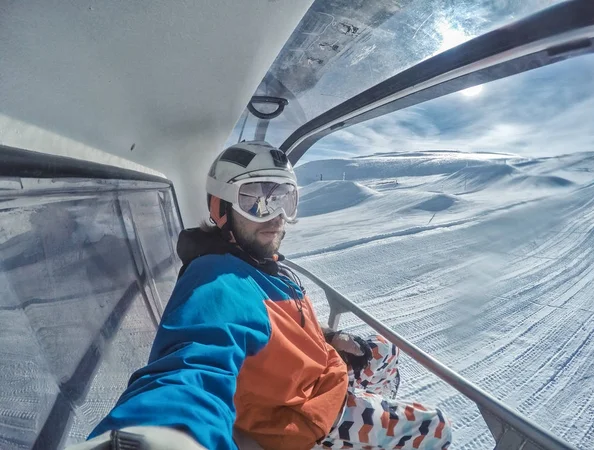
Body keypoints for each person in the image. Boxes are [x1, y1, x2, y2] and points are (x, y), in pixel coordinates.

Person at [72, 141, 452, 450]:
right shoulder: (219, 277)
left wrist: (330, 338)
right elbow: (194, 365)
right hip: (306, 415)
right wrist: (164, 437)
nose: (275, 216)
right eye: (255, 199)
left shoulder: (261, 262)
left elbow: (280, 323)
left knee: (384, 353)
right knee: (435, 428)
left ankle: (367, 406)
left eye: (284, 199)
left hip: (316, 374)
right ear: (220, 209)